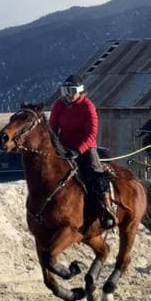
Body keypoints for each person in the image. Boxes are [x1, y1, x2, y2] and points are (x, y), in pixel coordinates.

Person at [49, 74, 116, 228]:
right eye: (65, 90)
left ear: (80, 91)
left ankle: (106, 209)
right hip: (64, 147)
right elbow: (52, 128)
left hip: (85, 148)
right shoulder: (59, 105)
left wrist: (79, 150)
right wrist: (55, 146)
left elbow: (91, 133)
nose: (68, 94)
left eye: (71, 90)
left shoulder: (88, 106)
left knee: (96, 174)